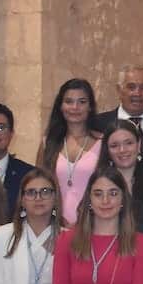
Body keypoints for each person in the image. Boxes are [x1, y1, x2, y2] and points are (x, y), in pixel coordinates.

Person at [36, 78, 105, 225]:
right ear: (60, 106)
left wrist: (83, 221)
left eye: (82, 102)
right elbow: (38, 185)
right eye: (69, 101)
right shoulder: (48, 143)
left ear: (90, 107)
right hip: (53, 224)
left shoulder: (103, 143)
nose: (75, 107)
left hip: (93, 223)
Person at [102, 119, 143, 229]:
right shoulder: (98, 185)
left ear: (139, 145)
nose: (122, 150)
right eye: (114, 145)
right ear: (107, 151)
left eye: (128, 143)